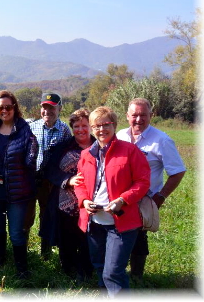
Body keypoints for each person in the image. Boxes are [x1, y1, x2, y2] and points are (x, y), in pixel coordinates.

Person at [74, 106, 150, 297]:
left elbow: (143, 182)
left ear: (115, 125)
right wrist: (83, 201)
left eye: (106, 124)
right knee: (100, 266)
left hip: (121, 222)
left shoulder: (129, 151)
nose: (101, 130)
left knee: (113, 272)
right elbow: (80, 183)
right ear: (92, 128)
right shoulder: (86, 155)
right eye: (97, 126)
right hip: (95, 222)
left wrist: (123, 200)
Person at [116, 98, 186, 282]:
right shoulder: (120, 136)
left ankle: (137, 276)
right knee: (119, 233)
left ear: (151, 116)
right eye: (134, 115)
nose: (138, 119)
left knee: (139, 236)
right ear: (127, 116)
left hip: (144, 199)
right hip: (120, 197)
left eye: (143, 115)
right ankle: (116, 270)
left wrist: (160, 197)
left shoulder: (161, 140)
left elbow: (177, 172)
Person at [0, 90, 38, 279]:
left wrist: (33, 151)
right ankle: (0, 259)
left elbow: (31, 160)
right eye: (0, 108)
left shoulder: (25, 131)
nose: (4, 111)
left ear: (14, 108)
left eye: (8, 107)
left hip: (17, 191)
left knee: (16, 231)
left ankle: (22, 268)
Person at [41, 108, 94, 282]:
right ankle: (67, 269)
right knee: (67, 237)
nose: (80, 130)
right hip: (65, 203)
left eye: (84, 125)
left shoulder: (99, 147)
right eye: (76, 126)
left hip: (90, 202)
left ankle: (85, 270)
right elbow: (50, 170)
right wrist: (67, 180)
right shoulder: (64, 147)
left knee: (88, 238)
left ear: (91, 126)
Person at [25, 93, 72, 259]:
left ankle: (45, 252)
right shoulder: (31, 127)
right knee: (26, 214)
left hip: (51, 181)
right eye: (44, 107)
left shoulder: (65, 129)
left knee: (47, 214)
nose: (47, 111)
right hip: (31, 178)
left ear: (59, 108)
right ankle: (23, 250)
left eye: (51, 107)